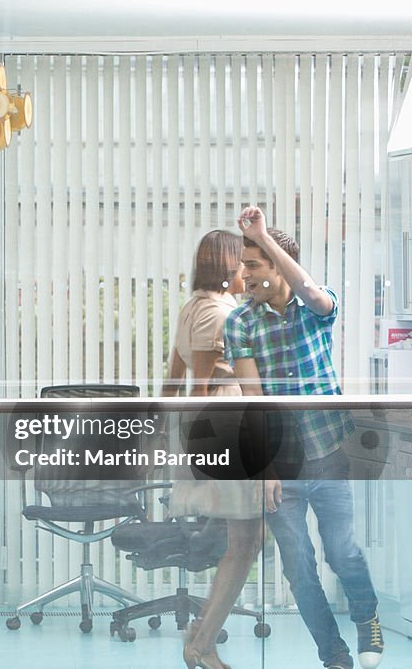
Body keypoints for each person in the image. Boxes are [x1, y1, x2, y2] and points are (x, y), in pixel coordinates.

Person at [224, 206, 383, 669]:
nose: (244, 275)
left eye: (253, 265)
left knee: (342, 552)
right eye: (243, 265)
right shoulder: (241, 323)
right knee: (299, 567)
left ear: (277, 264)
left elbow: (313, 294)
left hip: (329, 452)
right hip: (281, 463)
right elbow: (252, 399)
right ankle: (334, 655)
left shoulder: (316, 309)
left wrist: (262, 236)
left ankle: (367, 615)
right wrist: (266, 466)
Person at [162, 230, 264, 669]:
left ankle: (202, 634)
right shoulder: (219, 314)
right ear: (227, 268)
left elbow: (171, 382)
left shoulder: (194, 308)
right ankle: (201, 644)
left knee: (247, 540)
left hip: (218, 427)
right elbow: (200, 389)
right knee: (246, 540)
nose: (247, 271)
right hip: (225, 426)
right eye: (242, 263)